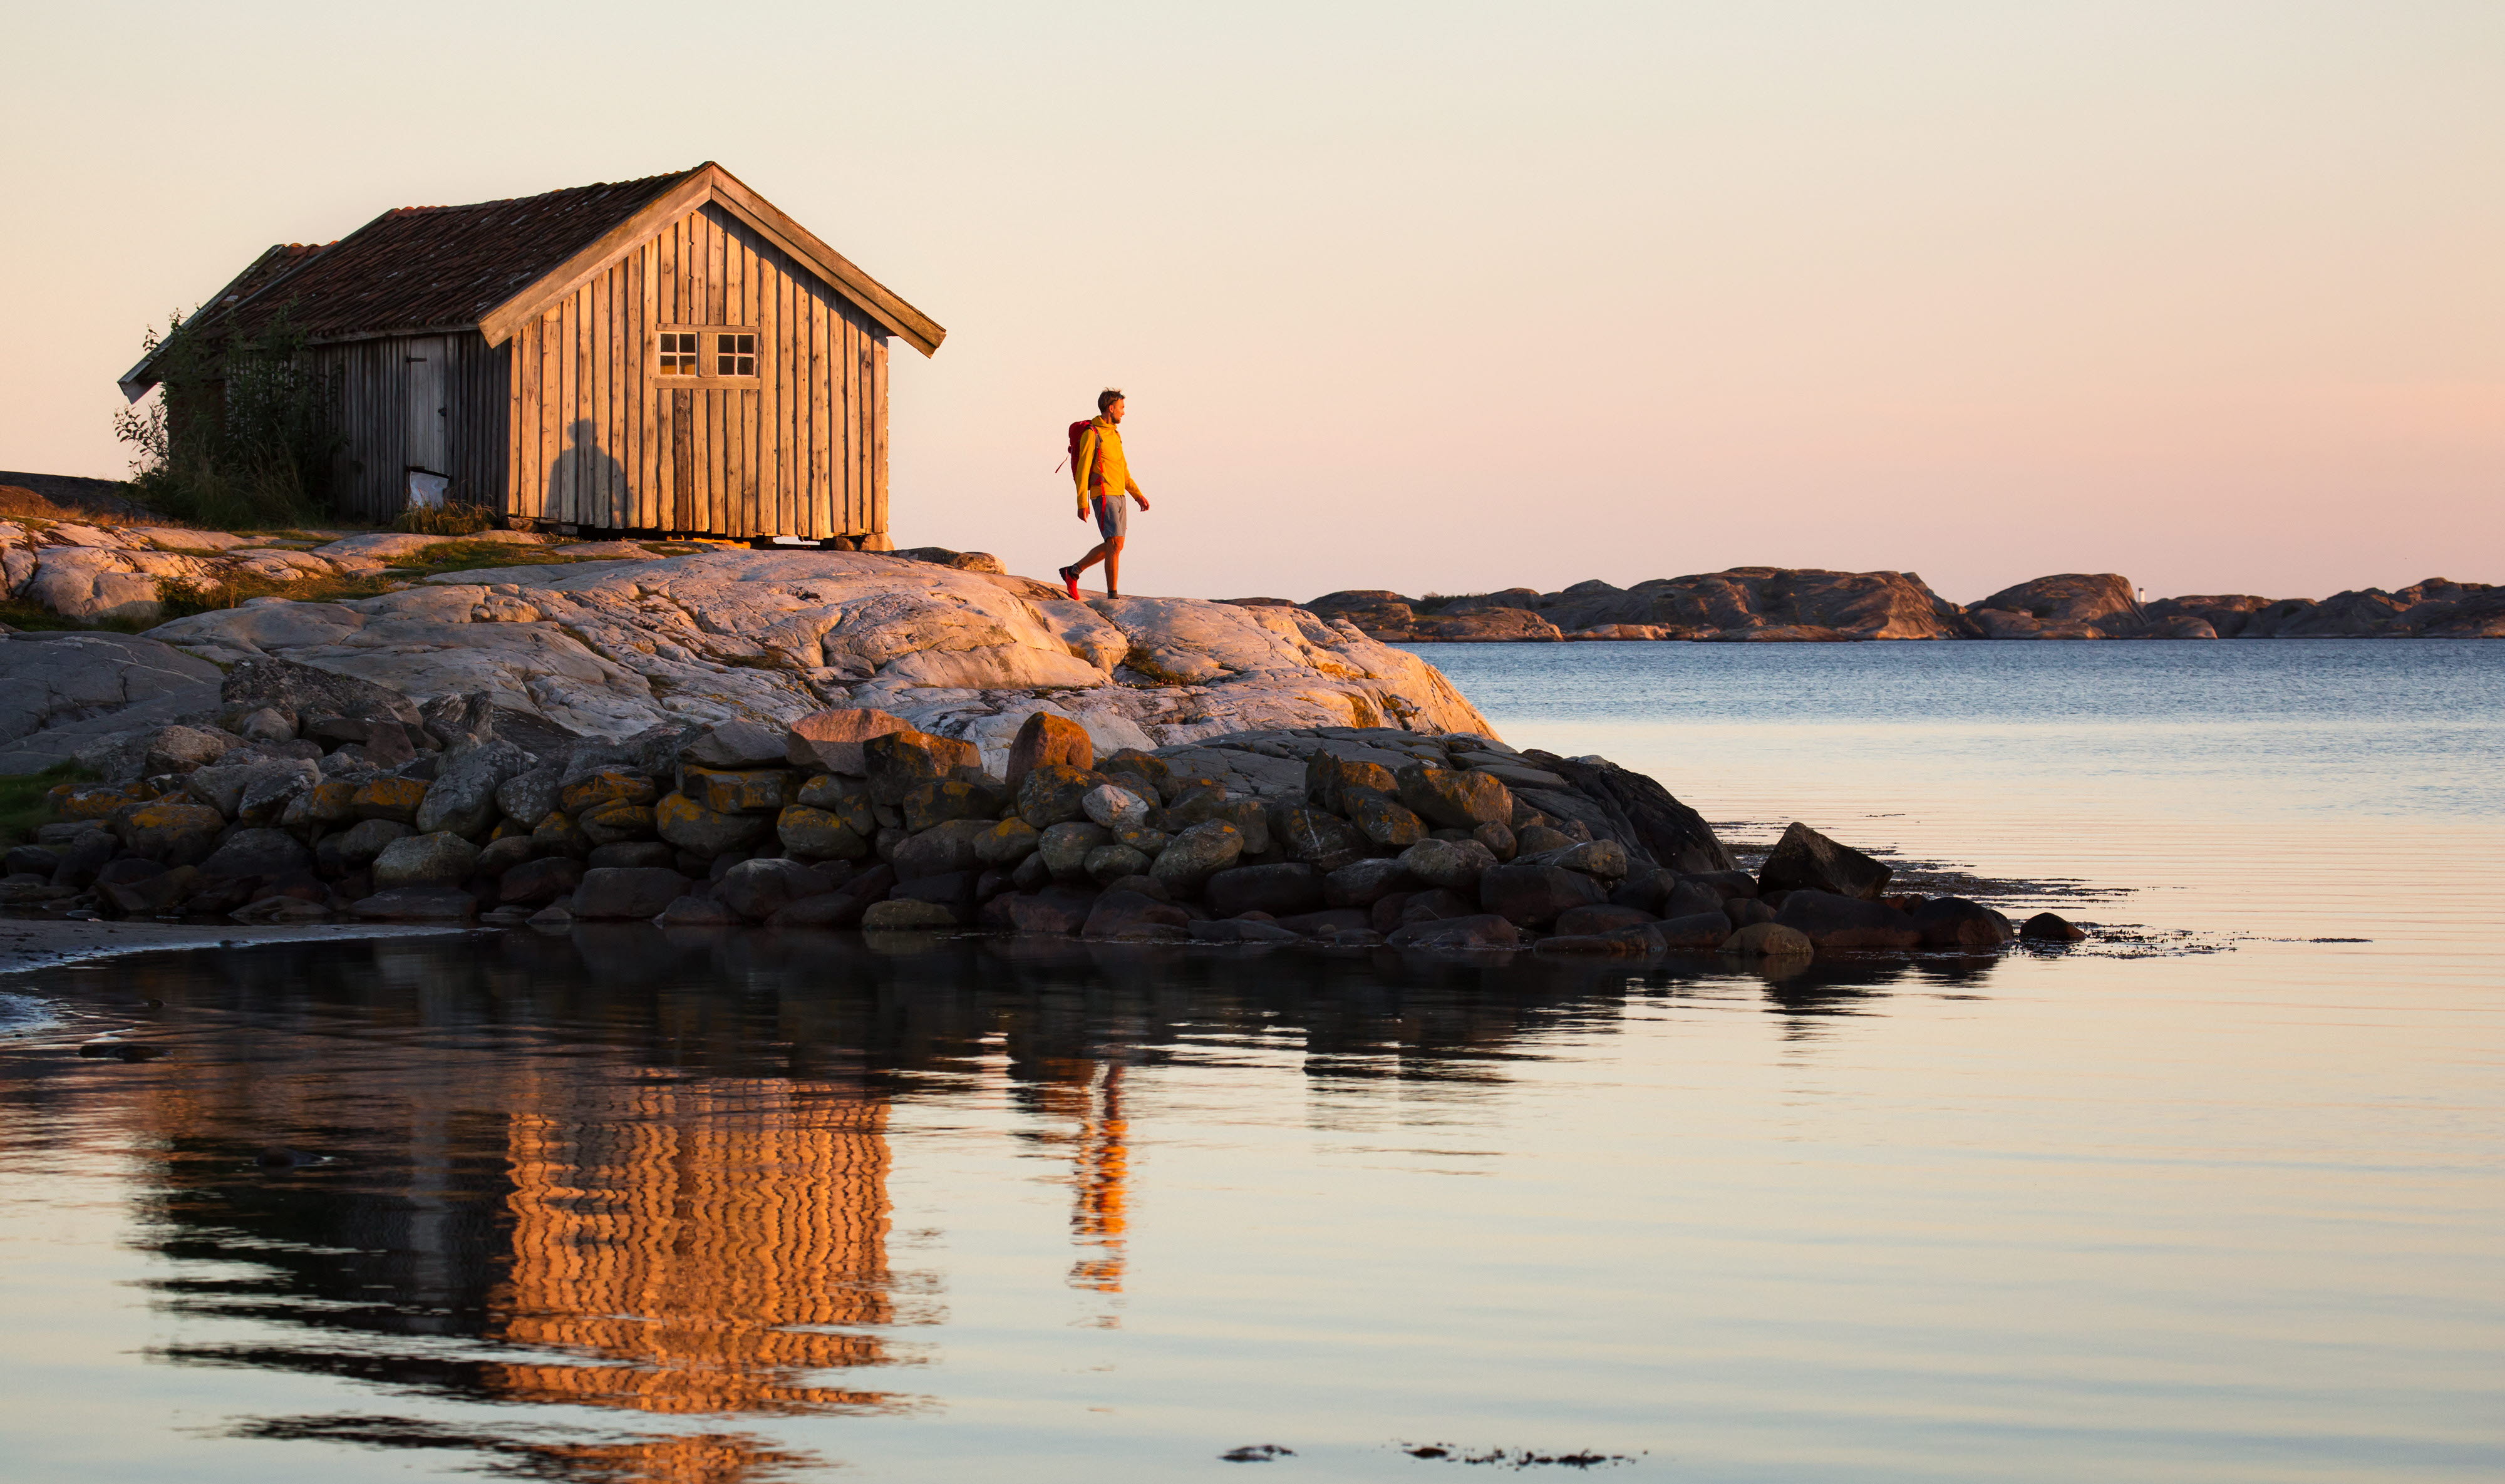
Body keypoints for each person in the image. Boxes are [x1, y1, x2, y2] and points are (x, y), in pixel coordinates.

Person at [1060, 388, 1150, 599]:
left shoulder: (1115, 435)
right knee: (1114, 543)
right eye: (1122, 408)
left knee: (1117, 545)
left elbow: (1123, 469)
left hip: (1120, 494)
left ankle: (1073, 571)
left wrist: (1137, 495)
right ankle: (1113, 595)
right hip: (1103, 493)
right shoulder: (1093, 433)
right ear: (1111, 408)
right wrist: (1081, 501)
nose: (1124, 412)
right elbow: (1082, 470)